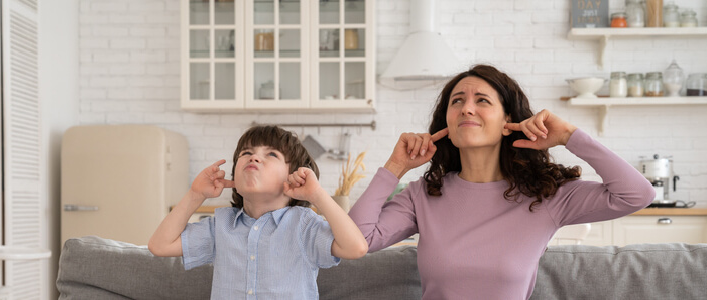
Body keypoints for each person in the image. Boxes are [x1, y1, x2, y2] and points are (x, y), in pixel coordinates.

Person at [348, 64, 655, 299]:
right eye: (457, 101)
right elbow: (357, 241)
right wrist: (395, 166)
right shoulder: (422, 195)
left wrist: (571, 137)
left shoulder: (546, 196)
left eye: (482, 100)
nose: (467, 107)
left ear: (508, 121)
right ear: (448, 125)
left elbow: (636, 195)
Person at [148, 125, 368, 299]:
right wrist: (196, 194)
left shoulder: (303, 225)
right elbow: (160, 245)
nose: (253, 158)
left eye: (271, 154)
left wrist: (317, 195)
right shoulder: (221, 226)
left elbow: (356, 248)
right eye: (246, 153)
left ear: (294, 177)